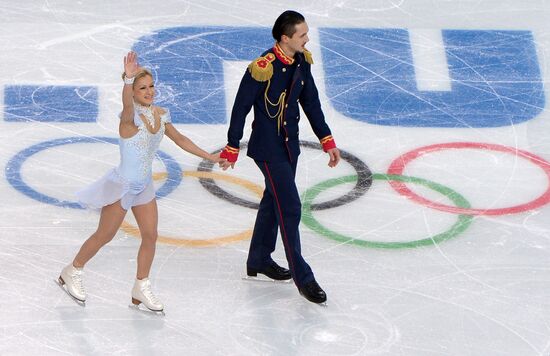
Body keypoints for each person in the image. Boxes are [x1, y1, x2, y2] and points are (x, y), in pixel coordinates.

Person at [58, 51, 225, 313]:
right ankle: (72, 271)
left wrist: (209, 157)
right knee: (105, 235)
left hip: (144, 186)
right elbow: (126, 103)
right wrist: (127, 78)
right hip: (123, 186)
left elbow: (180, 140)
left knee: (150, 236)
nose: (149, 91)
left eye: (151, 86)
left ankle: (141, 286)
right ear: (134, 92)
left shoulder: (161, 115)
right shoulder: (129, 118)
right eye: (142, 88)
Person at [220, 10, 341, 304]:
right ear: (285, 38)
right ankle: (305, 279)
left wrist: (327, 140)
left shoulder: (300, 61)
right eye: (302, 35)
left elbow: (311, 103)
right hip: (268, 149)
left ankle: (259, 259)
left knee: (273, 201)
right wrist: (232, 145)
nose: (307, 39)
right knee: (290, 207)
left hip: (289, 147)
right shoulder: (263, 67)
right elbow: (240, 107)